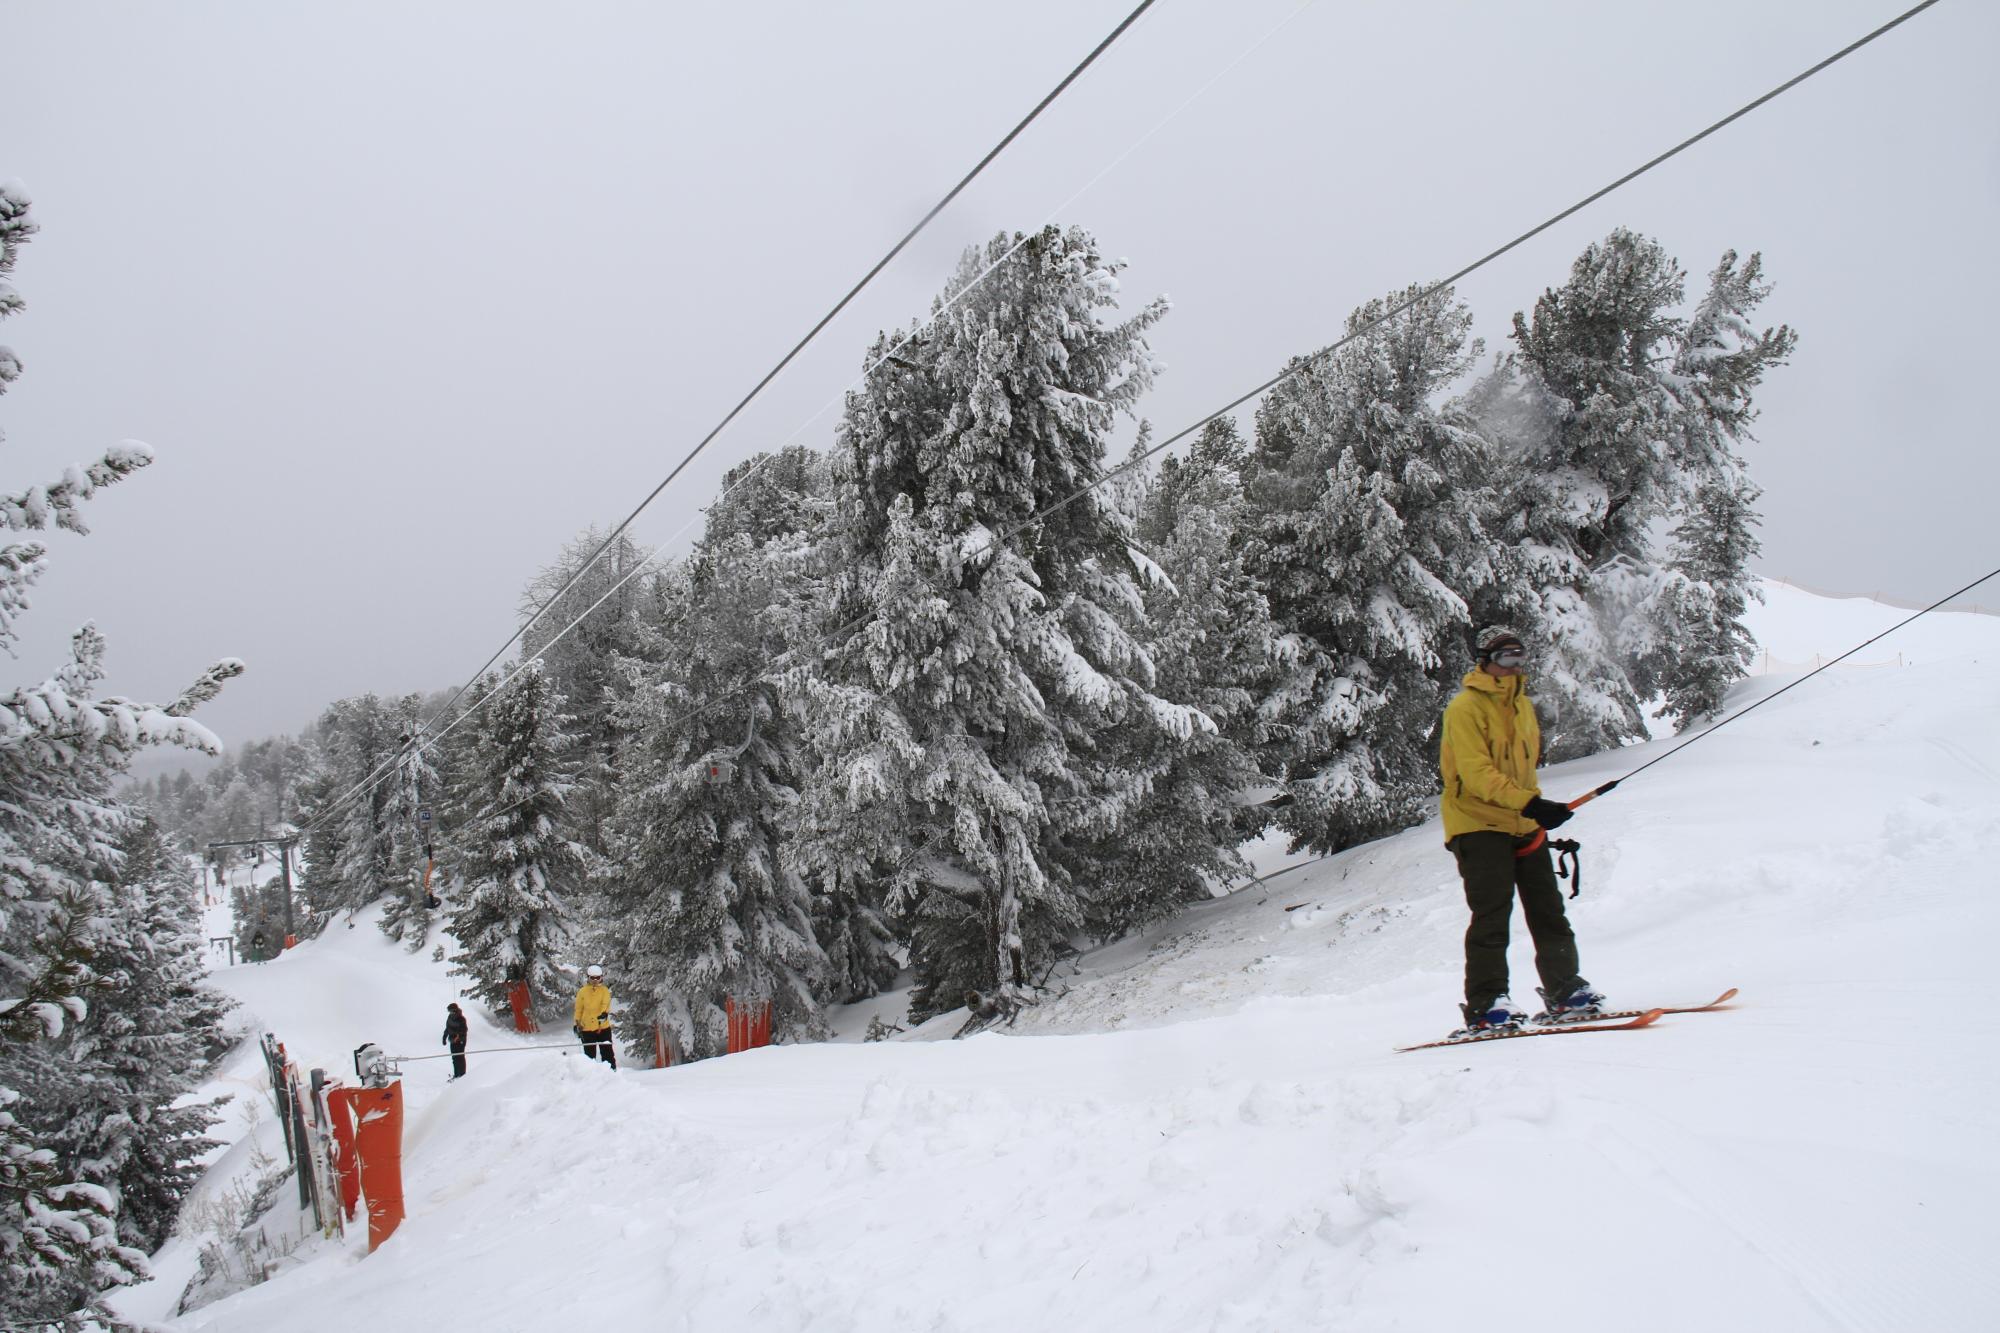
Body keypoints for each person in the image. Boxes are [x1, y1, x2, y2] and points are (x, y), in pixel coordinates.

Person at [1439, 625, 1607, 1033]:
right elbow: (1476, 774)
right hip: (1476, 823)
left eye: (1518, 657)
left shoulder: (1522, 708)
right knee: (1492, 915)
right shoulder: (1465, 708)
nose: (1512, 667)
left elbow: (1524, 771)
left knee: (1549, 912)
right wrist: (1531, 804)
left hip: (1523, 824)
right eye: (1504, 658)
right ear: (1485, 661)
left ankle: (1565, 990)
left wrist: (1540, 810)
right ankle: (1486, 1004)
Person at [573, 965, 616, 1068]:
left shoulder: (604, 990)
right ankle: (590, 1076)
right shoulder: (582, 991)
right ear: (588, 977)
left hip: (603, 1028)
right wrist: (577, 1024)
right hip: (586, 1028)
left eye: (598, 977)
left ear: (601, 977)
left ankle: (611, 1072)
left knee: (607, 1053)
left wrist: (604, 1013)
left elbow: (605, 1004)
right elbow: (579, 1009)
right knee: (589, 1055)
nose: (595, 980)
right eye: (592, 978)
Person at [442, 1002, 468, 1080]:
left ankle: (462, 1076)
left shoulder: (461, 1018)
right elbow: (447, 1028)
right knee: (454, 1058)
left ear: (455, 1010)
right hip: (452, 1040)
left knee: (460, 1057)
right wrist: (444, 1037)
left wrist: (458, 1035)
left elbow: (465, 1029)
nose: (450, 1013)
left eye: (451, 1011)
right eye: (449, 1011)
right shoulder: (450, 1017)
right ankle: (456, 1075)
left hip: (460, 1041)